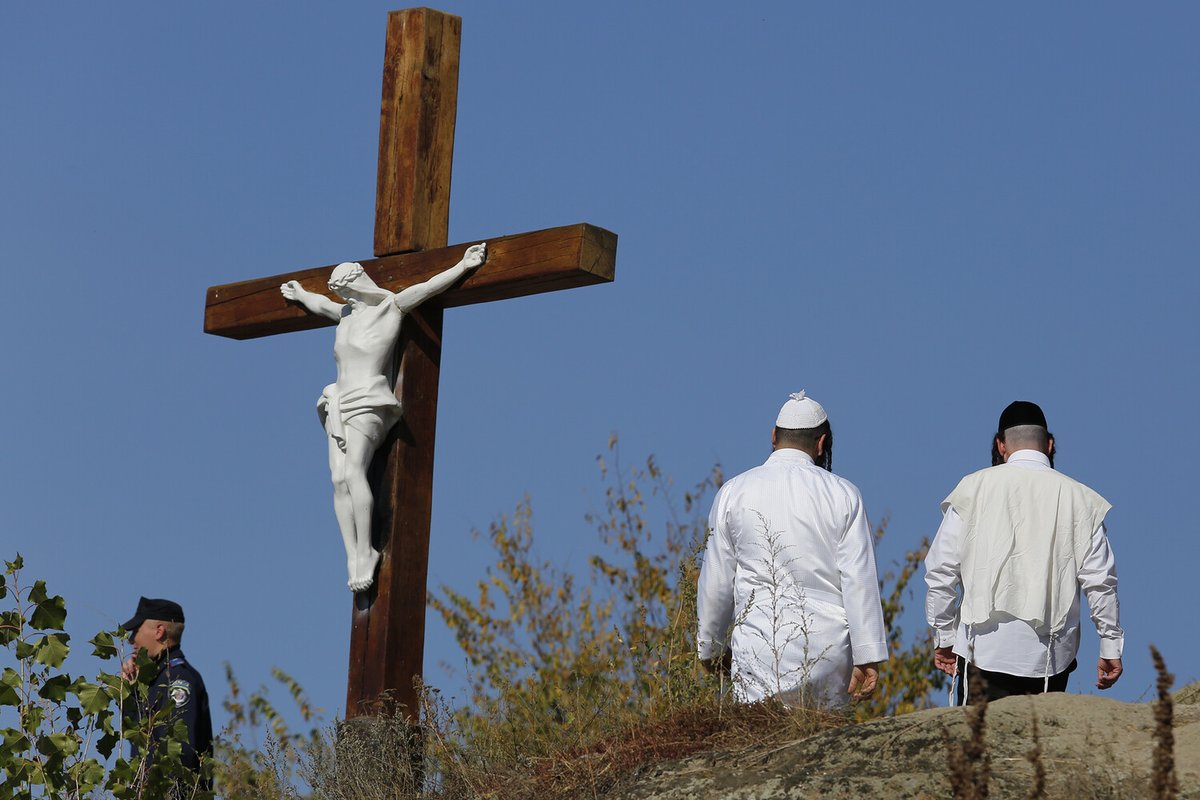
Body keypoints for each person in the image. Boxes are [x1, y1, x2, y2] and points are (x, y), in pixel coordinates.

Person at [281, 243, 487, 592]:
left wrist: (463, 266)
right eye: (339, 291)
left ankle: (367, 551)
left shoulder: (390, 307)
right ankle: (352, 555)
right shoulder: (346, 315)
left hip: (368, 399)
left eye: (345, 288)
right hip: (338, 399)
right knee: (337, 480)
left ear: (358, 282)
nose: (343, 295)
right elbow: (320, 305)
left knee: (353, 472)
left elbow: (427, 288)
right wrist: (301, 293)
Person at [925, 401, 1123, 704]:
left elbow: (941, 570)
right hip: (1048, 659)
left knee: (976, 749)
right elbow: (1100, 581)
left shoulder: (972, 488)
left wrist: (944, 637)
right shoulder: (1080, 498)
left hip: (983, 650)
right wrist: (1110, 646)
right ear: (1050, 444)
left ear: (1000, 445)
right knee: (1039, 749)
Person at [696, 391, 887, 706]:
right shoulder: (845, 494)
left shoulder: (733, 492)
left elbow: (716, 581)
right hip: (828, 653)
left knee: (758, 746)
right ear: (822, 443)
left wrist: (710, 649)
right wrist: (868, 655)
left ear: (773, 436)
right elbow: (859, 579)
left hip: (758, 648)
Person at [121, 597, 212, 784]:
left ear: (159, 631)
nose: (131, 640)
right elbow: (136, 740)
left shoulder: (178, 680)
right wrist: (131, 692)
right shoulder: (155, 680)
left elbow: (180, 753)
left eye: (136, 631)